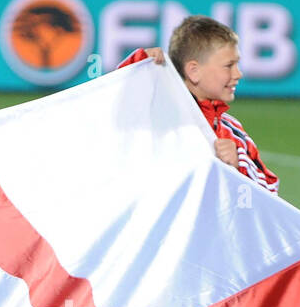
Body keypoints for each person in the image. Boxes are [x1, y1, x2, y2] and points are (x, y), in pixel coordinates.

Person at [119, 15, 279, 194]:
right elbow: (116, 113)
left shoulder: (232, 131)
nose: (238, 73)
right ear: (194, 71)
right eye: (229, 65)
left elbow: (271, 194)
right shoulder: (161, 116)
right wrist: (137, 67)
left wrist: (238, 167)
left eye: (237, 64)